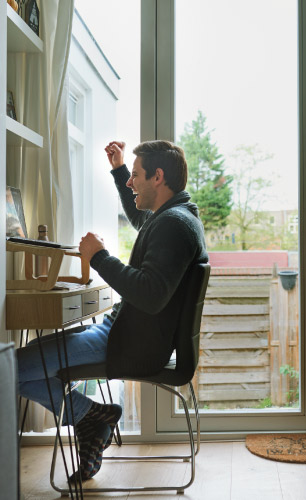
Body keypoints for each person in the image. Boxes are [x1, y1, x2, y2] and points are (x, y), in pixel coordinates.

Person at [17, 139, 208, 482]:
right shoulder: (173, 218)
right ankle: (93, 417)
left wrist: (99, 257)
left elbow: (150, 295)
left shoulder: (174, 226)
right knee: (27, 361)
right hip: (126, 333)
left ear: (158, 177)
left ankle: (90, 416)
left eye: (136, 176)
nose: (131, 182)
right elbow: (139, 217)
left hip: (126, 342)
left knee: (13, 368)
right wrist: (120, 169)